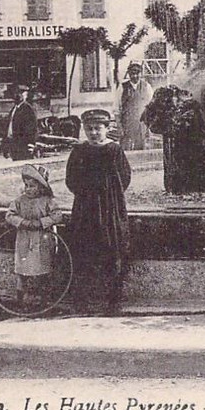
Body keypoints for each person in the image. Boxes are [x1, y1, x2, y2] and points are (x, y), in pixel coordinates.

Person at [64, 108, 131, 312]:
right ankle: (82, 300)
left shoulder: (114, 150)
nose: (93, 133)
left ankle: (113, 300)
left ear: (107, 128)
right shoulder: (79, 151)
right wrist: (86, 193)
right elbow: (71, 179)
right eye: (89, 129)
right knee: (83, 250)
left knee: (112, 249)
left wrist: (109, 194)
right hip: (85, 209)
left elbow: (125, 177)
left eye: (98, 129)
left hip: (110, 208)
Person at [5, 164, 62, 308]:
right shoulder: (19, 201)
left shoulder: (48, 201)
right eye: (26, 185)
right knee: (23, 269)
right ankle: (22, 298)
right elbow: (9, 215)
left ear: (41, 188)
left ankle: (42, 299)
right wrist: (22, 222)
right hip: (24, 239)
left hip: (42, 239)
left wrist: (42, 223)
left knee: (42, 268)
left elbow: (57, 215)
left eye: (32, 186)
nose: (28, 189)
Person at [118, 61, 152, 150]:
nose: (135, 76)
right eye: (132, 74)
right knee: (126, 150)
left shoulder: (147, 87)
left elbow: (151, 108)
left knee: (141, 149)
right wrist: (119, 127)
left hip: (142, 125)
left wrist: (149, 127)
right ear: (128, 74)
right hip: (127, 124)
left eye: (137, 73)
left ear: (141, 74)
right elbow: (116, 109)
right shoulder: (122, 87)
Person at [3, 87, 38, 161]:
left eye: (21, 93)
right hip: (14, 144)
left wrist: (31, 144)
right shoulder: (14, 109)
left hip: (23, 145)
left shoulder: (28, 109)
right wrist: (5, 146)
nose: (18, 95)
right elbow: (8, 128)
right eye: (16, 93)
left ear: (25, 95)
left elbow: (32, 128)